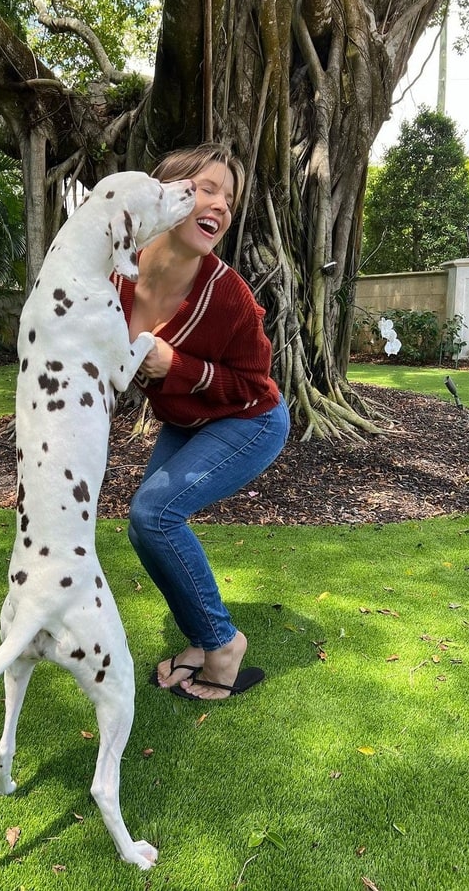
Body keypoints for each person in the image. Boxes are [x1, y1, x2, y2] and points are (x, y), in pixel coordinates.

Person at [111, 143, 290, 701]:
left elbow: (255, 385)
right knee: (146, 525)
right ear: (163, 197)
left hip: (250, 421)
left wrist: (177, 365)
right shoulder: (117, 270)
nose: (220, 203)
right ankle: (201, 636)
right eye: (205, 188)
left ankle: (222, 645)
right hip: (188, 419)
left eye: (228, 197)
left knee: (154, 513)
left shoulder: (229, 296)